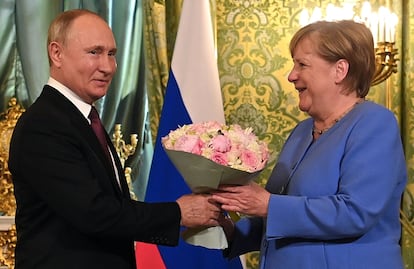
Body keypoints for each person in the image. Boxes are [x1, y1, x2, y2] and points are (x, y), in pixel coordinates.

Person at [9, 9, 221, 269]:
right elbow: (93, 212)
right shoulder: (44, 125)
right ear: (57, 53)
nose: (107, 67)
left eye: (112, 54)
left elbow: (108, 207)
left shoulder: (81, 119)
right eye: (94, 52)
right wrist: (178, 213)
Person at [212, 20, 407, 269]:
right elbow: (283, 215)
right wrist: (229, 229)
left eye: (302, 65)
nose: (291, 75)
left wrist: (267, 204)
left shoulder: (375, 123)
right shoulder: (303, 131)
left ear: (340, 70)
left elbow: (355, 212)